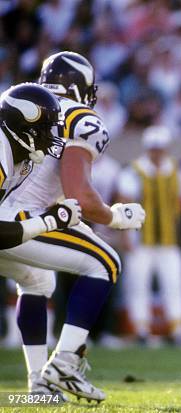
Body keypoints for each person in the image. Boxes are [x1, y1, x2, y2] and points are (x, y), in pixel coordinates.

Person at [0, 51, 145, 402]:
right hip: (21, 219)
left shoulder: (25, 105)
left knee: (38, 280)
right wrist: (115, 217)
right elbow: (79, 192)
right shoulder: (81, 117)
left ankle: (39, 385)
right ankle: (65, 361)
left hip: (11, 213)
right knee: (105, 262)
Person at [117, 125, 181, 344]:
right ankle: (141, 328)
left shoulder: (178, 170)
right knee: (138, 284)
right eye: (153, 149)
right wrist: (125, 236)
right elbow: (123, 203)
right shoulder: (134, 171)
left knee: (174, 282)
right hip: (140, 239)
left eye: (160, 149)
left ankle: (178, 329)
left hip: (169, 239)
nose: (157, 153)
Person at [0, 83, 82, 250]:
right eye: (46, 129)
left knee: (39, 276)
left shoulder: (23, 160)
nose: (51, 137)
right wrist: (50, 221)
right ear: (24, 128)